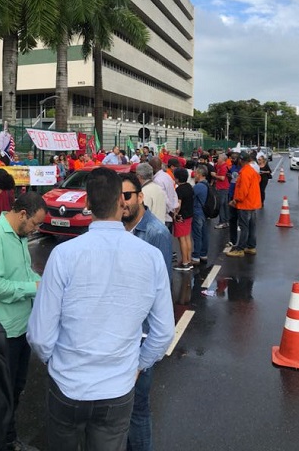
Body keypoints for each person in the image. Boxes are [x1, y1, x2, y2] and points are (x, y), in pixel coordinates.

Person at [27, 168, 174, 451]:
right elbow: (163, 332)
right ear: (121, 201)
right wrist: (139, 365)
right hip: (117, 388)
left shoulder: (64, 255)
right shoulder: (150, 257)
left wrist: (55, 363)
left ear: (87, 204)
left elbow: (40, 335)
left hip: (67, 386)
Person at [0, 191, 46, 451]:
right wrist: (35, 288)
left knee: (16, 387)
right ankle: (2, 441)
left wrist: (41, 280)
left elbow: (23, 271)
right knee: (1, 393)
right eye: (36, 223)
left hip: (21, 327)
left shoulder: (19, 234)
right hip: (4, 330)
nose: (36, 229)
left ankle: (6, 436)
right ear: (23, 214)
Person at [119, 173, 172, 451]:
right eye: (118, 198)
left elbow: (160, 293)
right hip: (118, 333)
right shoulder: (115, 227)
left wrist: (144, 357)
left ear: (140, 197)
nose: (122, 203)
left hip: (141, 337)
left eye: (127, 196)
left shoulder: (155, 234)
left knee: (138, 410)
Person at [227, 151, 261, 257]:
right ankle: (251, 246)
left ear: (241, 160)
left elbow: (243, 190)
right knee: (251, 226)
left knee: (244, 226)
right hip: (253, 203)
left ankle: (240, 249)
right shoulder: (252, 171)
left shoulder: (245, 173)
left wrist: (235, 200)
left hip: (245, 204)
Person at [173, 167, 194, 271]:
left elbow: (178, 205)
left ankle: (184, 263)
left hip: (181, 217)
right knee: (187, 237)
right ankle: (188, 260)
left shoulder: (179, 189)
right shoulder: (189, 186)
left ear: (177, 179)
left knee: (182, 239)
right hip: (189, 215)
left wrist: (175, 214)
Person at [148, 157, 177, 231]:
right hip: (169, 215)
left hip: (164, 216)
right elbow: (174, 194)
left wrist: (170, 211)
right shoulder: (167, 176)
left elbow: (164, 199)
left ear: (152, 167)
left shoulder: (157, 180)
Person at [191, 166, 211, 266]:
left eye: (196, 173)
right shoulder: (207, 184)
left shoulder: (198, 186)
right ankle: (203, 254)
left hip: (198, 211)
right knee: (204, 233)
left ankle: (196, 256)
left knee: (197, 234)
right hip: (205, 211)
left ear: (199, 174)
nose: (194, 175)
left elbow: (191, 195)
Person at [213, 153, 230, 228]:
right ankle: (226, 220)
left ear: (222, 159)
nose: (218, 159)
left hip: (222, 188)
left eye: (219, 158)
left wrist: (215, 176)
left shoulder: (223, 167)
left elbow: (222, 178)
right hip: (224, 187)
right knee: (225, 205)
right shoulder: (221, 166)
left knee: (221, 205)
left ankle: (222, 222)